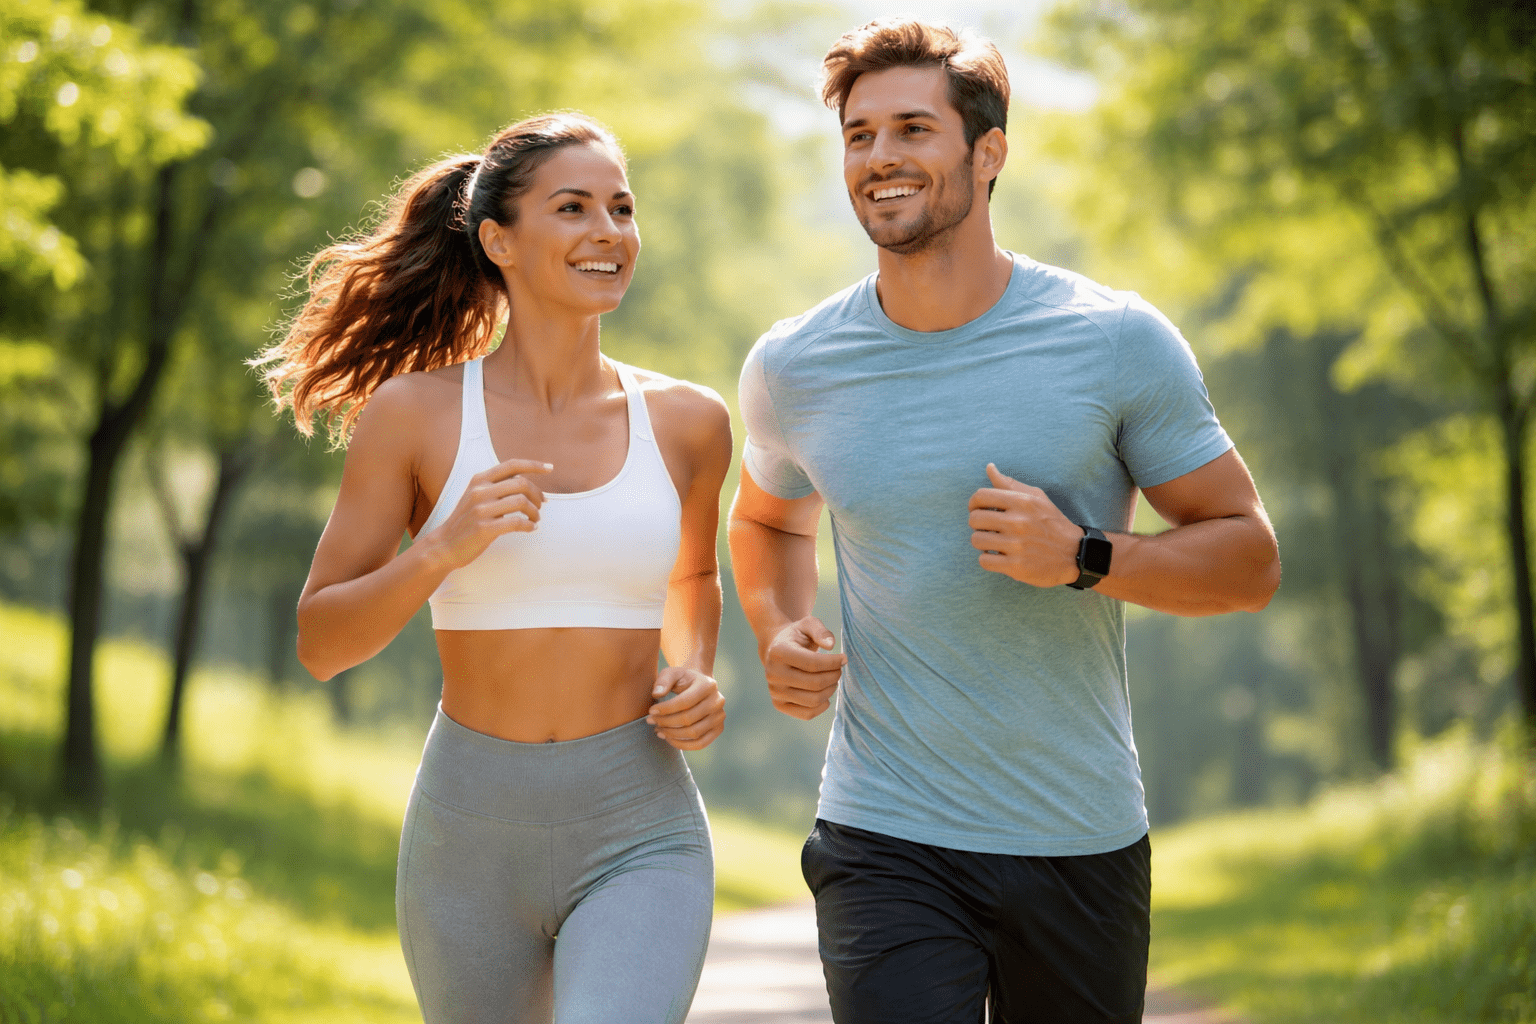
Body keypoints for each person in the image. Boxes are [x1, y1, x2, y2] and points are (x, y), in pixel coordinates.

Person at [728, 19, 1281, 1024]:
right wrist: (778, 627)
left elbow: (1247, 558)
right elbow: (766, 523)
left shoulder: (1113, 340)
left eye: (911, 129)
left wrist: (1083, 555)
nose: (880, 159)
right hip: (881, 829)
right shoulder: (795, 364)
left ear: (989, 154)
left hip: (1077, 832)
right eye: (858, 136)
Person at [258, 112, 732, 1024]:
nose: (610, 232)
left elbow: (691, 579)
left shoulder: (690, 422)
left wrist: (697, 670)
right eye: (574, 207)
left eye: (623, 208)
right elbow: (321, 642)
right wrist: (441, 546)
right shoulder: (415, 416)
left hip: (639, 823)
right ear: (497, 240)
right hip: (467, 833)